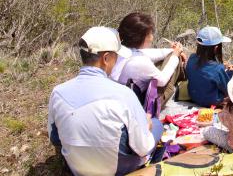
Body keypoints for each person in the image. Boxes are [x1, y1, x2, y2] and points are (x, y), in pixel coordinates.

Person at [47, 27, 164, 176]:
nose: (117, 61)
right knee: (157, 124)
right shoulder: (124, 94)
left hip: (76, 168)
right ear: (106, 58)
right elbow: (143, 147)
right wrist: (147, 125)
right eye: (117, 56)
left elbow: (55, 138)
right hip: (118, 169)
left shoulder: (58, 92)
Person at [112, 12, 186, 105]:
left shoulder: (117, 51)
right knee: (173, 60)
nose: (152, 37)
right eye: (150, 34)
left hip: (122, 97)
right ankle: (184, 82)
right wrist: (175, 56)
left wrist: (173, 51)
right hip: (140, 104)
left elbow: (150, 53)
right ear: (142, 37)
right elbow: (162, 80)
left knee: (171, 56)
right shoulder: (140, 61)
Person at [185, 26, 233, 107]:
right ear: (216, 48)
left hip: (194, 97)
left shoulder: (192, 58)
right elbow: (227, 89)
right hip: (212, 102)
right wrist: (232, 72)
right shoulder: (217, 68)